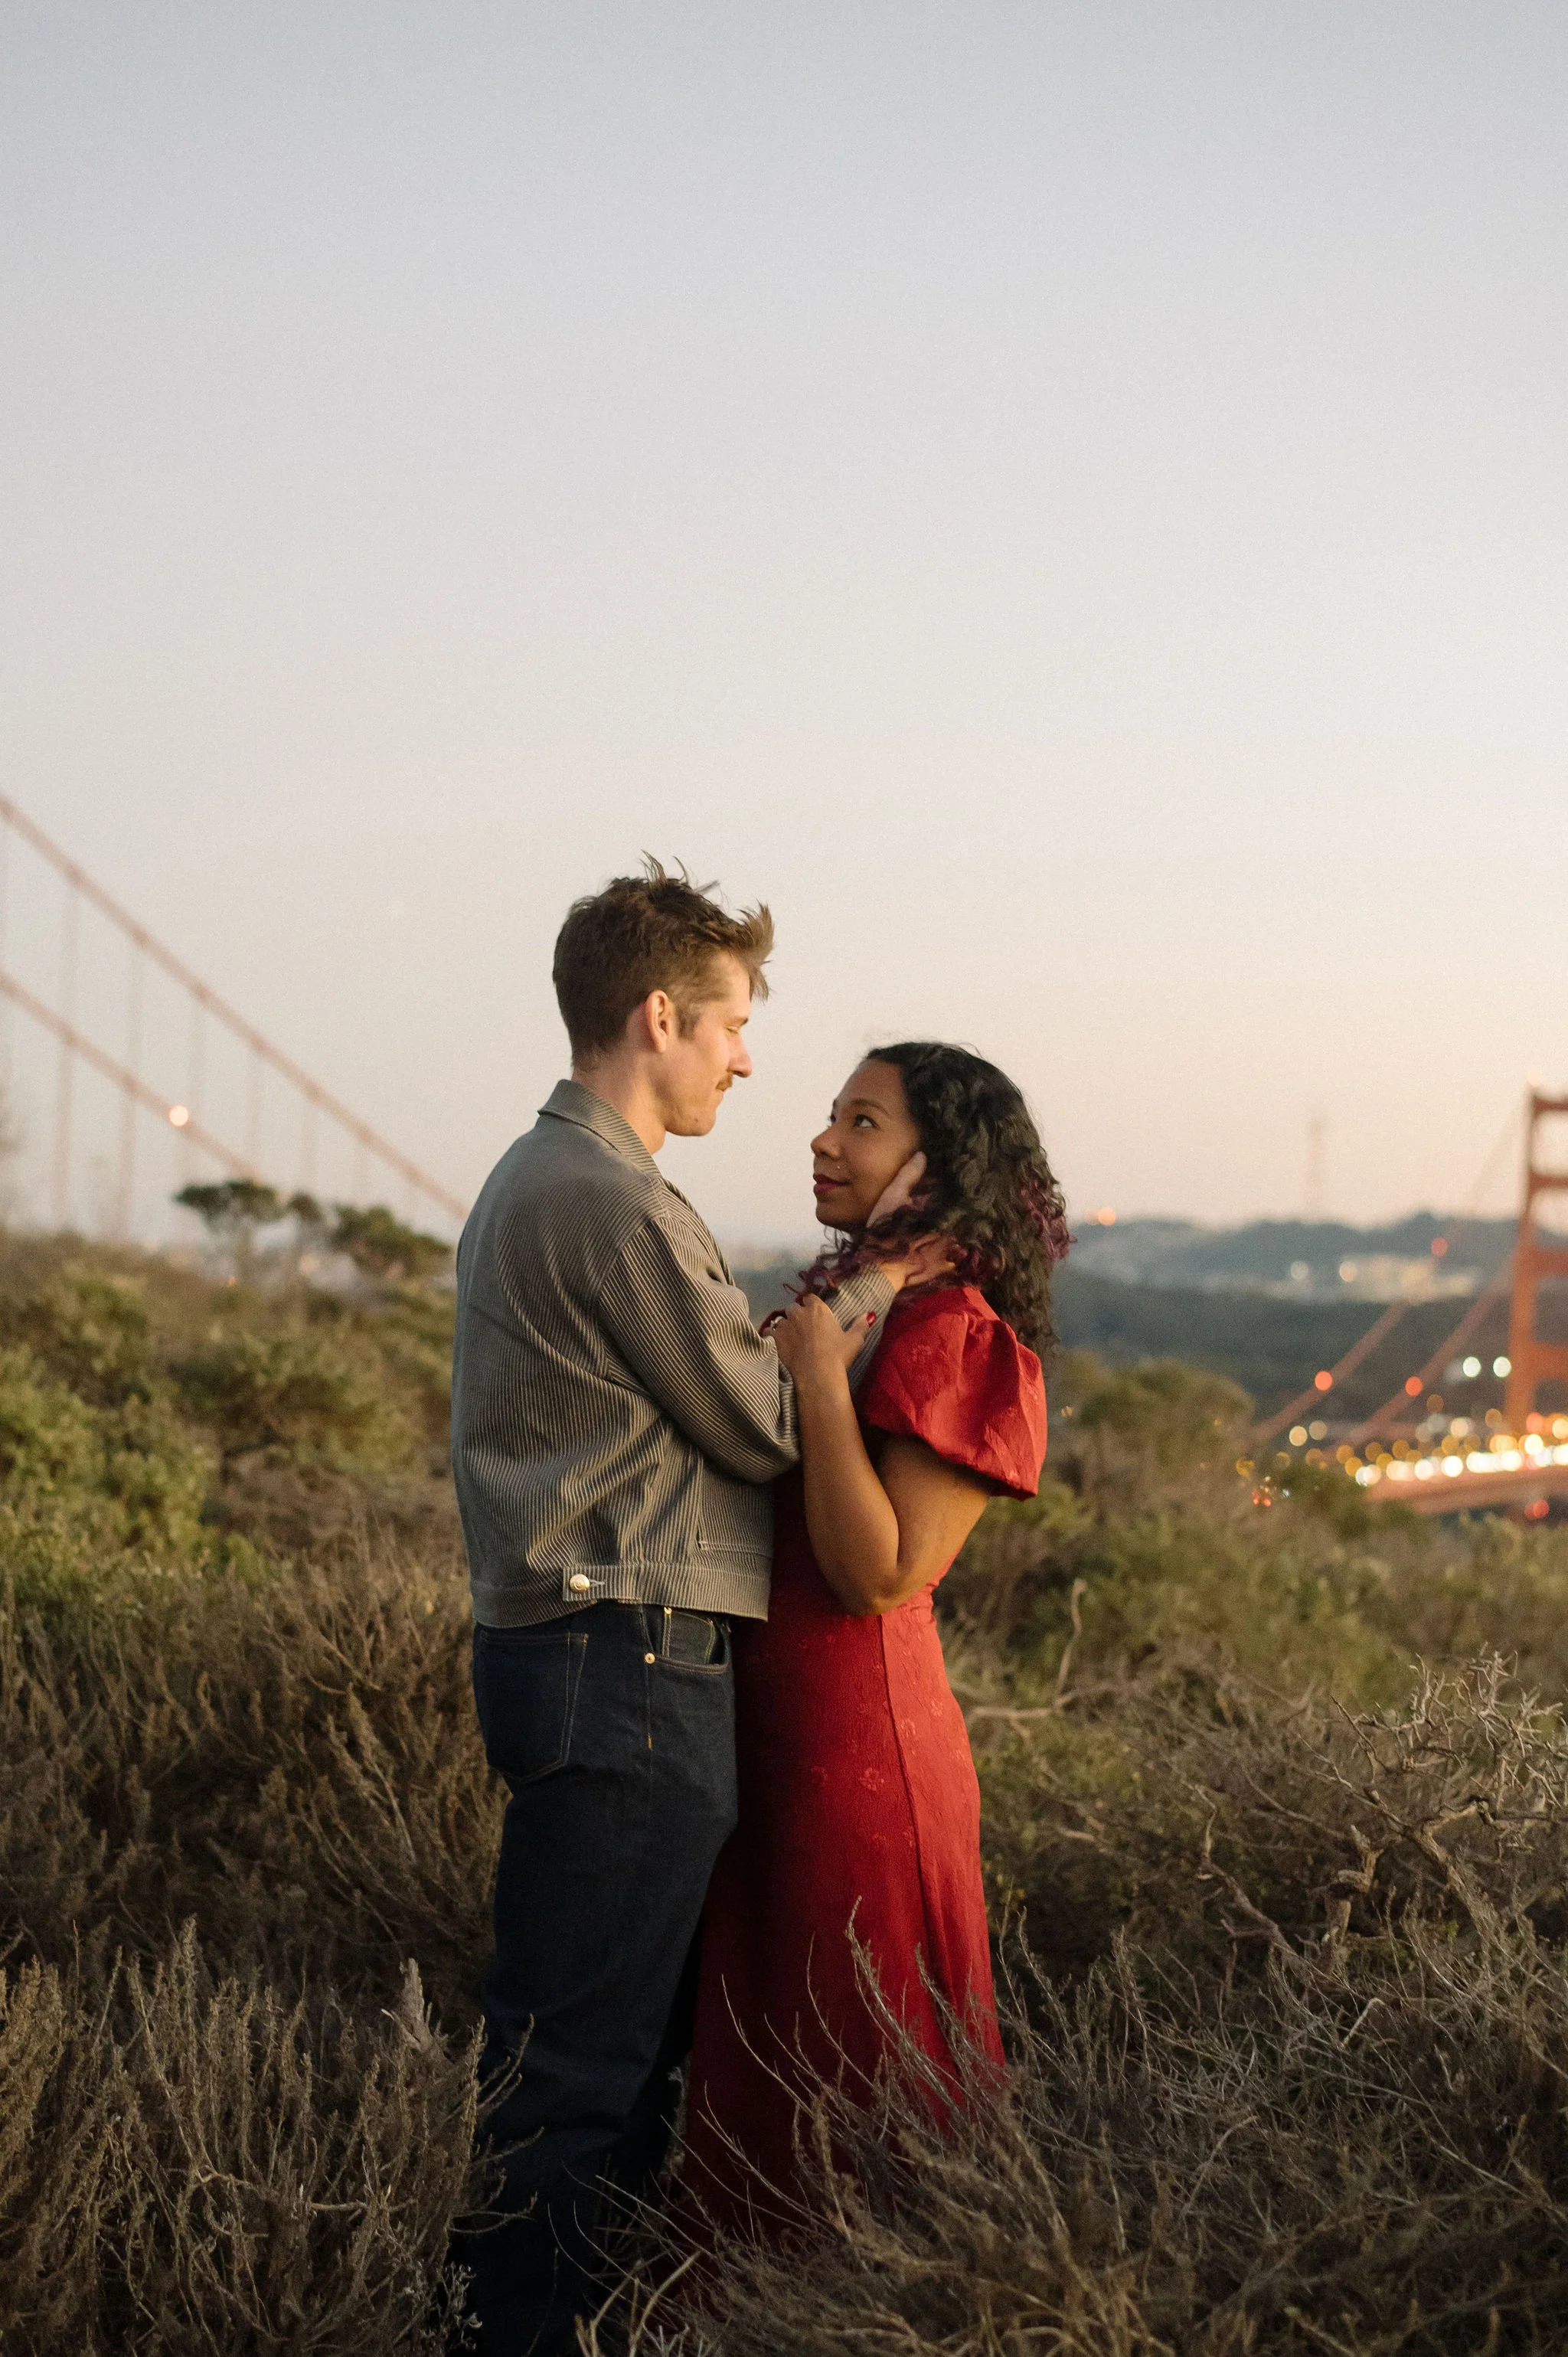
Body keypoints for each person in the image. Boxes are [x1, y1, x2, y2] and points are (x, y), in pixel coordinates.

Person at [449, 863, 924, 2356]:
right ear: (657, 1018)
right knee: (584, 2069)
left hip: (582, 1649)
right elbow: (763, 1424)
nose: (744, 1059)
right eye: (727, 1026)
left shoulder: (541, 1178)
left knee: (593, 2049)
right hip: (625, 1652)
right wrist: (870, 1304)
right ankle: (513, 2336)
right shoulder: (613, 1201)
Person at [682, 1041, 1067, 2231]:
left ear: (937, 1168)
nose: (823, 1139)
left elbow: (876, 1571)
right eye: (832, 1115)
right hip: (772, 1742)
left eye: (862, 1122)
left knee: (861, 2103)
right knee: (761, 2087)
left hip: (861, 1766)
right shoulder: (867, 1308)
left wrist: (821, 1384)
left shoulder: (954, 1333)